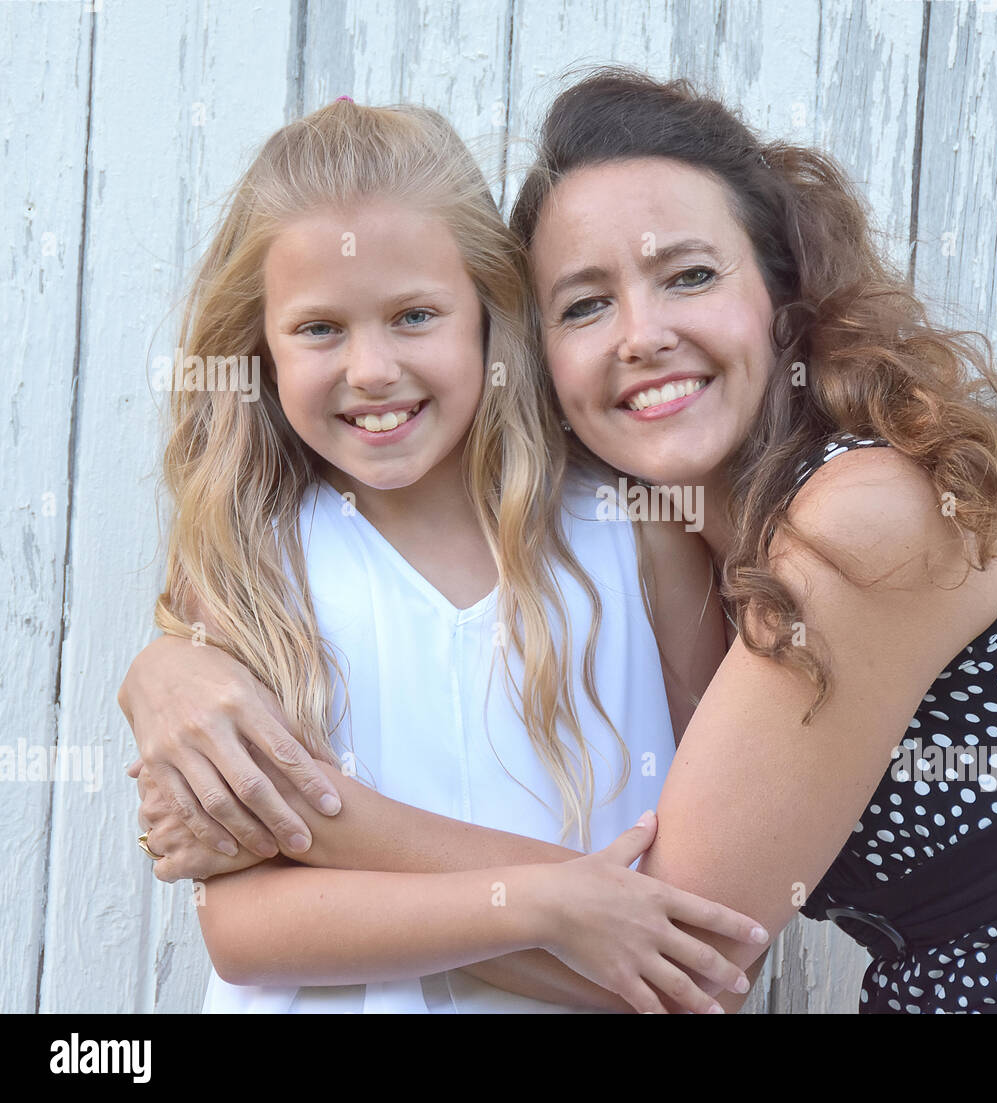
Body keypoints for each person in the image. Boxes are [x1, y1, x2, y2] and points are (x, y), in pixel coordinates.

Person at [122, 70, 997, 1013]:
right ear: (537, 351)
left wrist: (273, 807)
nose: (640, 336)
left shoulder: (866, 514)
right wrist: (163, 669)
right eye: (584, 303)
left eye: (687, 275)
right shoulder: (668, 533)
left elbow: (675, 936)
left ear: (781, 292)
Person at [126, 96, 767, 1015]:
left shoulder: (637, 530)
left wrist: (531, 921)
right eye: (319, 329)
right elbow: (243, 929)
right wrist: (551, 904)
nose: (372, 368)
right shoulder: (253, 563)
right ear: (260, 347)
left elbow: (694, 931)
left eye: (415, 315)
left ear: (489, 313)